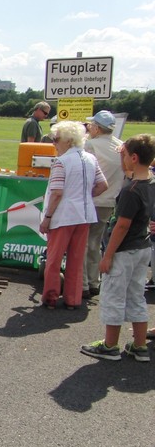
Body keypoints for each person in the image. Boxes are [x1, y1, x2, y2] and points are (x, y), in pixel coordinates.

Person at [80, 134, 155, 362]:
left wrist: (108, 256)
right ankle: (139, 345)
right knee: (136, 296)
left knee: (113, 296)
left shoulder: (131, 191)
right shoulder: (150, 182)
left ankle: (110, 345)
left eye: (123, 155)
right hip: (142, 247)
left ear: (133, 158)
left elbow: (122, 225)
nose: (121, 159)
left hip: (124, 251)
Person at [39, 121, 108, 309]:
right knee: (76, 260)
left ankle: (51, 297)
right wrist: (85, 196)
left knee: (53, 260)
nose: (54, 143)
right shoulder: (91, 159)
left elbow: (57, 193)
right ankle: (73, 299)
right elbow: (103, 185)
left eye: (56, 139)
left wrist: (47, 218)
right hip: (84, 215)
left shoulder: (61, 162)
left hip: (63, 216)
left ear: (68, 140)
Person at [82, 110, 124, 298]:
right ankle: (94, 281)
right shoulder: (121, 145)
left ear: (97, 128)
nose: (90, 128)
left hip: (90, 199)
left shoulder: (90, 145)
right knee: (95, 242)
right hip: (108, 201)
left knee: (83, 243)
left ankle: (82, 283)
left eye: (92, 125)